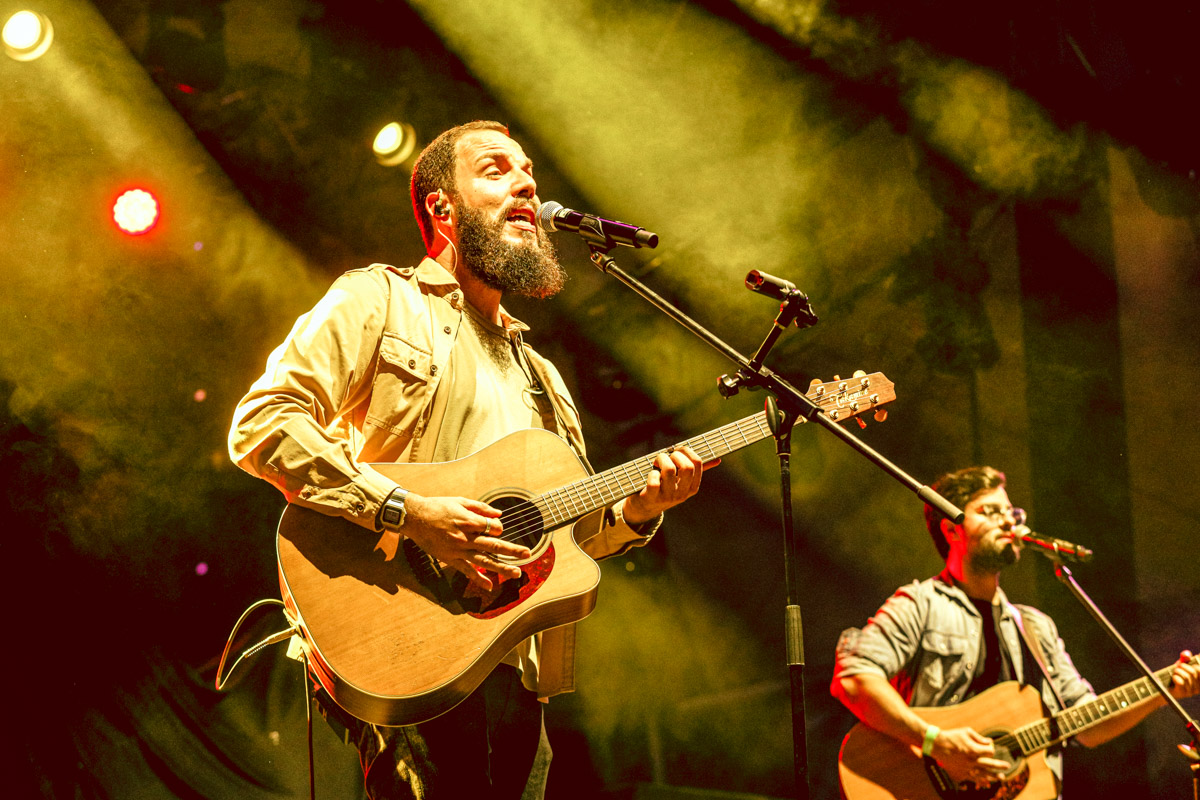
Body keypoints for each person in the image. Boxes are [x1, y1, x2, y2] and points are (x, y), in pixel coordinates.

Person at [228, 120, 709, 799]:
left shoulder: (543, 375)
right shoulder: (380, 300)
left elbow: (565, 535)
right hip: (408, 643)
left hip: (517, 668)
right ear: (442, 207)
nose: (526, 184)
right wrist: (412, 513)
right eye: (495, 169)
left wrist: (637, 510)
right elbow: (263, 424)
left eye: (529, 171)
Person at [831, 465, 1198, 793]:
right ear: (952, 529)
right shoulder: (919, 604)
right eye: (990, 512)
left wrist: (1163, 690)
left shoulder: (1035, 627)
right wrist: (935, 742)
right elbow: (853, 678)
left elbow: (1087, 725)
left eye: (1011, 512)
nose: (1008, 522)